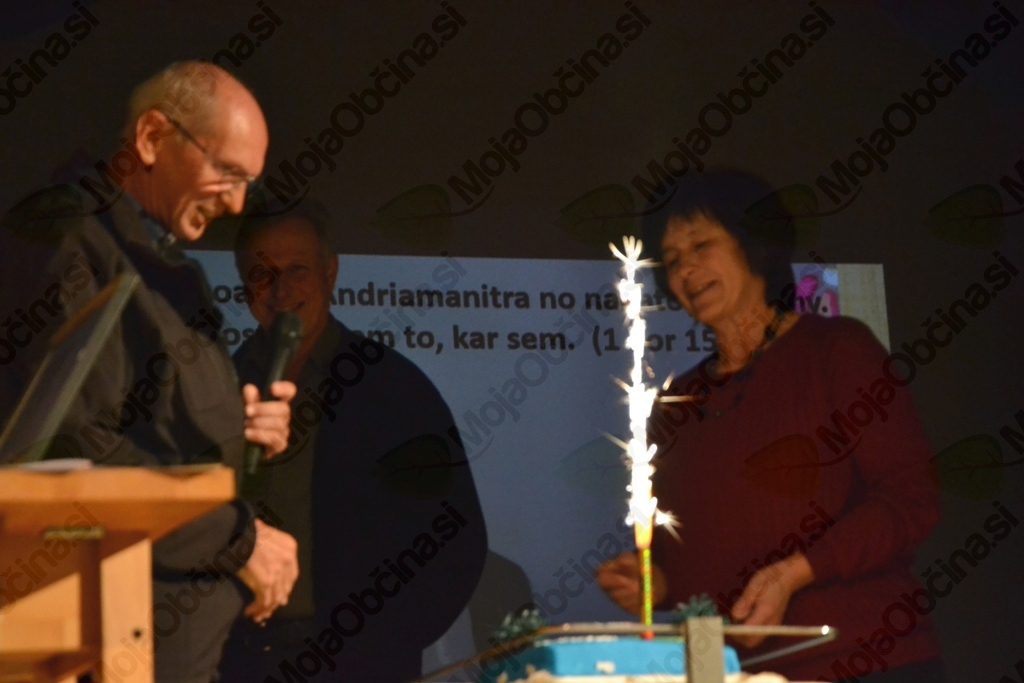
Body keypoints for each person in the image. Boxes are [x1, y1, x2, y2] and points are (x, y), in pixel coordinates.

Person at [0, 61, 299, 682]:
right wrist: (239, 541)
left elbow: (152, 436)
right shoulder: (66, 240)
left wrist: (237, 430)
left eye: (248, 183)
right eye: (228, 172)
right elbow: (73, 456)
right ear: (152, 137)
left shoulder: (164, 269)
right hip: (103, 645)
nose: (237, 203)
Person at [596, 171, 943, 682]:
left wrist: (797, 572)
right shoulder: (674, 406)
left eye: (701, 245)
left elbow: (911, 499)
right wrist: (655, 584)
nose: (686, 269)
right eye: (671, 260)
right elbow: (694, 560)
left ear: (754, 244)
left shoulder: (837, 351)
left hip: (869, 660)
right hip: (742, 673)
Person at [219, 204, 489, 681]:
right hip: (234, 665)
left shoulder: (393, 389)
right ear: (243, 286)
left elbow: (455, 538)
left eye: (298, 270)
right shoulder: (215, 390)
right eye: (263, 274)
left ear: (330, 272)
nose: (281, 290)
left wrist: (385, 645)